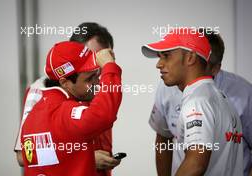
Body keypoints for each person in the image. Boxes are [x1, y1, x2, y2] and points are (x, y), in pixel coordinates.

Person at [14, 22, 121, 176]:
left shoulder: (95, 85)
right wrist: (83, 156)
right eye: (90, 59)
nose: (97, 68)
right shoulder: (39, 93)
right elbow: (24, 157)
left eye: (101, 59)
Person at [146, 29, 252, 176]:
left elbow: (195, 165)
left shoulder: (197, 102)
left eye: (166, 56)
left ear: (190, 58)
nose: (159, 64)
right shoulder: (220, 98)